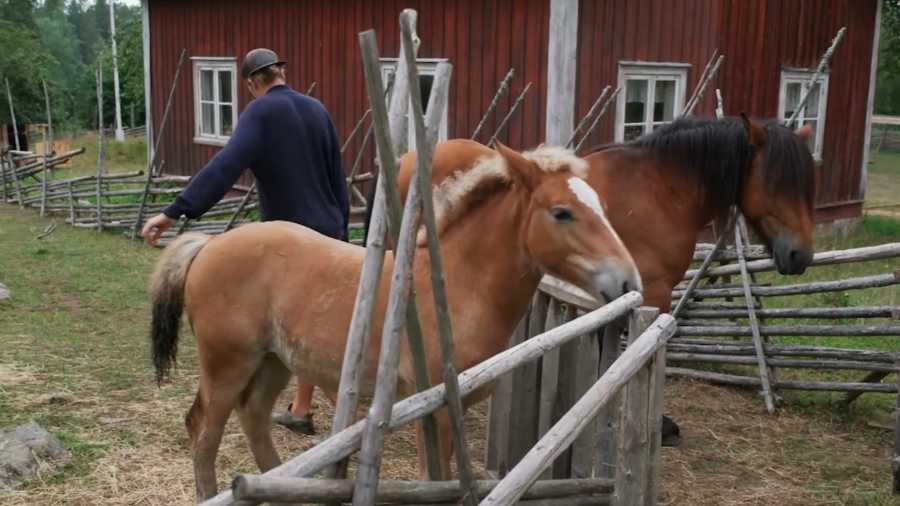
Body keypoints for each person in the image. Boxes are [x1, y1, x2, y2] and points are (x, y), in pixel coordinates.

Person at [141, 48, 348, 435]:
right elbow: (338, 177)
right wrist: (346, 241)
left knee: (306, 335)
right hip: (330, 237)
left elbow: (225, 166)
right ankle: (302, 409)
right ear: (280, 74)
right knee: (314, 328)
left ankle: (348, 416)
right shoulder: (317, 109)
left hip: (292, 245)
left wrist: (175, 212)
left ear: (252, 83)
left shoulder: (261, 112)